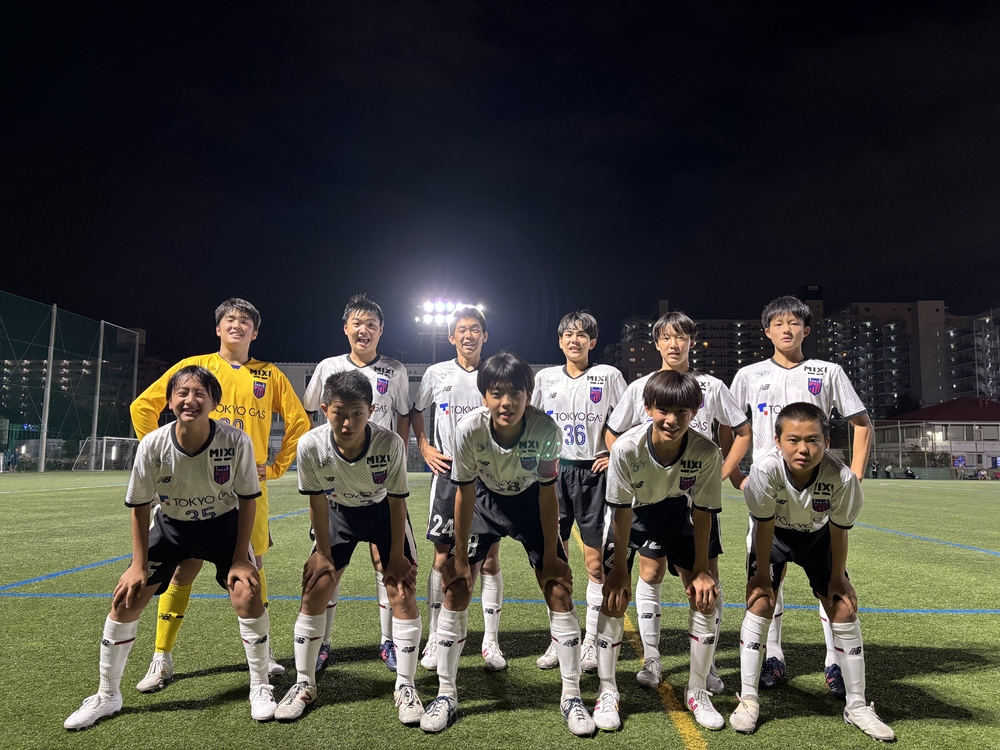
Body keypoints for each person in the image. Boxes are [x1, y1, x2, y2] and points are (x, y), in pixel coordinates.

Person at [64, 366, 275, 729]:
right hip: (172, 527)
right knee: (125, 599)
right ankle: (107, 695)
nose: (190, 400)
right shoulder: (153, 444)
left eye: (199, 393)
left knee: (247, 592)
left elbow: (247, 499)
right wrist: (137, 564)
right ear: (169, 401)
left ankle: (260, 685)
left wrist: (242, 556)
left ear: (214, 402)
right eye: (182, 393)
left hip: (222, 527)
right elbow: (139, 506)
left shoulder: (236, 441)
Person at [129, 298, 310, 691]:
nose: (237, 325)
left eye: (245, 321)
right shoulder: (195, 367)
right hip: (194, 484)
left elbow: (299, 421)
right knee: (184, 567)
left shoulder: (269, 374)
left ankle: (263, 654)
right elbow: (142, 408)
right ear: (217, 328)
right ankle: (161, 656)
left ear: (255, 332)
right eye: (230, 319)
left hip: (246, 488)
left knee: (252, 565)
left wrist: (276, 466)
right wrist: (163, 459)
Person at [420, 351, 596, 737]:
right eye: (497, 393)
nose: (507, 402)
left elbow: (548, 494)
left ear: (528, 394)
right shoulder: (469, 429)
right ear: (484, 395)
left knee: (559, 589)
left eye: (516, 393)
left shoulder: (545, 429)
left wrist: (551, 554)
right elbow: (464, 493)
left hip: (531, 503)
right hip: (484, 500)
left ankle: (572, 696)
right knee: (456, 587)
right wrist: (460, 555)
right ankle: (446, 694)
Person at [730, 295, 872, 697]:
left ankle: (834, 660)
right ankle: (772, 656)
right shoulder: (749, 374)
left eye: (794, 323)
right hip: (770, 487)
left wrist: (854, 477)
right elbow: (732, 424)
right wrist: (736, 474)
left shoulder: (827, 371)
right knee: (766, 580)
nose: (786, 329)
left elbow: (862, 423)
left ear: (806, 330)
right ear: (767, 331)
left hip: (817, 489)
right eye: (778, 324)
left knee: (831, 581)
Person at [730, 402, 894, 742]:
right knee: (761, 602)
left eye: (812, 440)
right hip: (774, 535)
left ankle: (857, 705)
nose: (803, 449)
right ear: (778, 441)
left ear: (826, 442)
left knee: (843, 607)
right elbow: (763, 526)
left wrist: (837, 577)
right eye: (793, 440)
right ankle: (748, 698)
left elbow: (839, 530)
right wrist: (761, 577)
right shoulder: (765, 471)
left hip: (818, 537)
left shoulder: (842, 478)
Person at [604, 311, 750, 693]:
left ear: (691, 342)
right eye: (667, 337)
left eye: (681, 337)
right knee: (650, 572)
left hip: (693, 498)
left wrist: (721, 473)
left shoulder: (712, 386)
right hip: (651, 498)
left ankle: (707, 665)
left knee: (705, 578)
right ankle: (651, 658)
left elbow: (742, 431)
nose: (674, 344)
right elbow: (614, 435)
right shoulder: (641, 387)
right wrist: (628, 470)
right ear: (656, 343)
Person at [274, 371, 423, 725]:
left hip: (383, 512)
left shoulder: (390, 443)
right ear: (325, 409)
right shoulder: (311, 445)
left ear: (371, 410)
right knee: (316, 588)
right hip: (337, 512)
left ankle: (406, 685)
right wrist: (323, 554)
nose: (348, 422)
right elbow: (317, 501)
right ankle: (304, 683)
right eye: (339, 413)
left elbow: (398, 501)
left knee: (401, 590)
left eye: (357, 413)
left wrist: (397, 556)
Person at [598, 370, 725, 732]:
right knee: (614, 595)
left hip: (677, 511)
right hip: (635, 513)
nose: (671, 420)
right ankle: (608, 690)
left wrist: (701, 569)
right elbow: (621, 513)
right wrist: (618, 571)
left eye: (682, 411)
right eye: (663, 410)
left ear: (695, 411)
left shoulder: (707, 451)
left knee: (705, 595)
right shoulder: (627, 448)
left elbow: (703, 513)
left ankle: (697, 690)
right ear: (648, 408)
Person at [302, 293, 411, 673]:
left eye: (372, 325)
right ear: (346, 328)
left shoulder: (395, 370)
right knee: (328, 568)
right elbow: (311, 412)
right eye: (357, 324)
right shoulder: (328, 367)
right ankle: (322, 644)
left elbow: (403, 416)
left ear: (381, 330)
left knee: (388, 565)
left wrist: (397, 458)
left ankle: (388, 641)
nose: (364, 330)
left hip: (379, 482)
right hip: (337, 484)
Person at [410, 306, 507, 671]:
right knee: (442, 557)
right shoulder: (436, 373)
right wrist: (424, 446)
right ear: (451, 336)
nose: (469, 335)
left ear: (485, 336)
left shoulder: (494, 373)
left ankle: (491, 641)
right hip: (448, 473)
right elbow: (416, 410)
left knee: (490, 558)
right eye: (462, 330)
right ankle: (435, 637)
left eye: (475, 329)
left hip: (488, 476)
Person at [531, 311, 626, 674]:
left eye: (582, 335)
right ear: (560, 341)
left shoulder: (609, 376)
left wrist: (612, 453)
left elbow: (630, 419)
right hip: (553, 473)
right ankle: (560, 637)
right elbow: (531, 421)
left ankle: (590, 641)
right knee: (554, 560)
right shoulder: (545, 378)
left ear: (592, 342)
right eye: (568, 335)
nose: (575, 340)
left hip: (592, 475)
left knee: (595, 564)